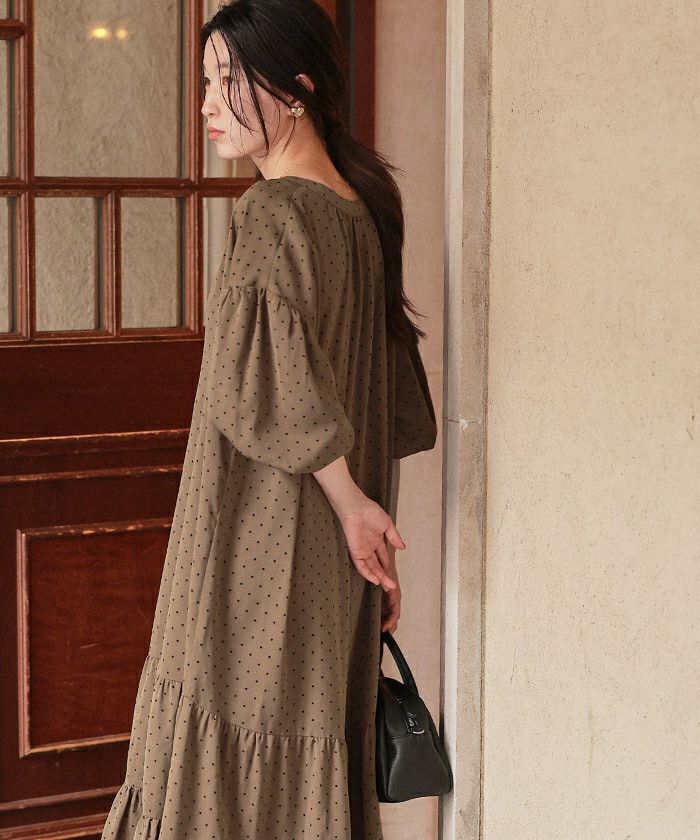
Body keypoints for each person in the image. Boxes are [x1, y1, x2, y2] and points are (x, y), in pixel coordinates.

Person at [100, 1, 437, 838]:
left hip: (261, 529)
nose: (207, 104)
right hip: (331, 545)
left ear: (296, 90)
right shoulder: (363, 212)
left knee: (222, 724)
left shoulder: (273, 212)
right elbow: (380, 396)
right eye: (206, 81)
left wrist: (351, 506)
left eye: (229, 81)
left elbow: (266, 388)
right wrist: (360, 513)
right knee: (303, 730)